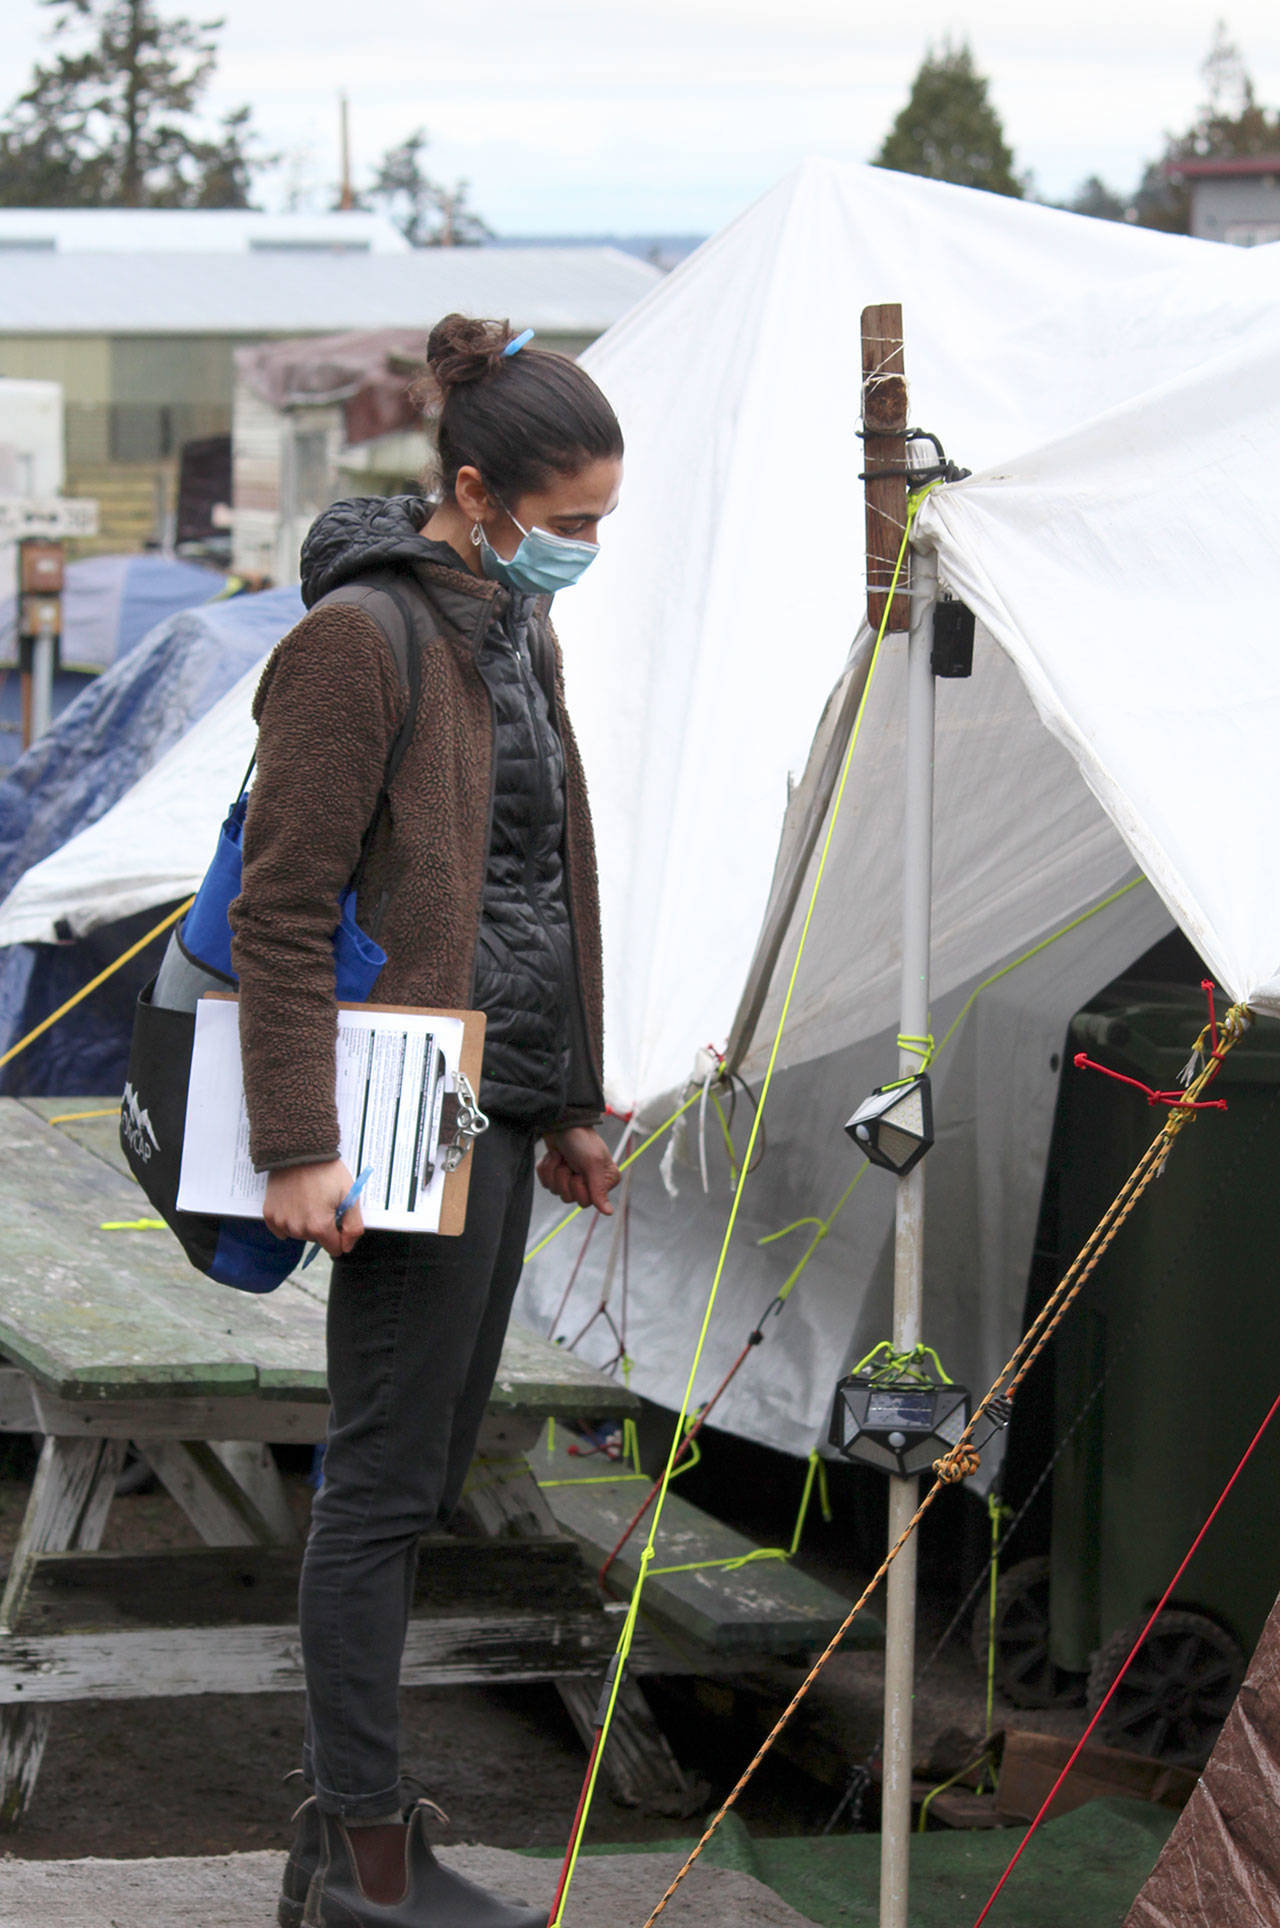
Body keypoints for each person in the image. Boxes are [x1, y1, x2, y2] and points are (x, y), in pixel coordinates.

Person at [227, 313, 624, 1928]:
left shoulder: (517, 633)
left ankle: (355, 1836)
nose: (592, 549)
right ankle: (365, 1850)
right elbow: (283, 908)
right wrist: (294, 1138)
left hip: (501, 1105)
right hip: (391, 1124)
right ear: (478, 489)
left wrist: (576, 1097)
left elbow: (543, 883)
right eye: (578, 521)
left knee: (428, 1471)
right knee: (383, 1487)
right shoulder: (359, 641)